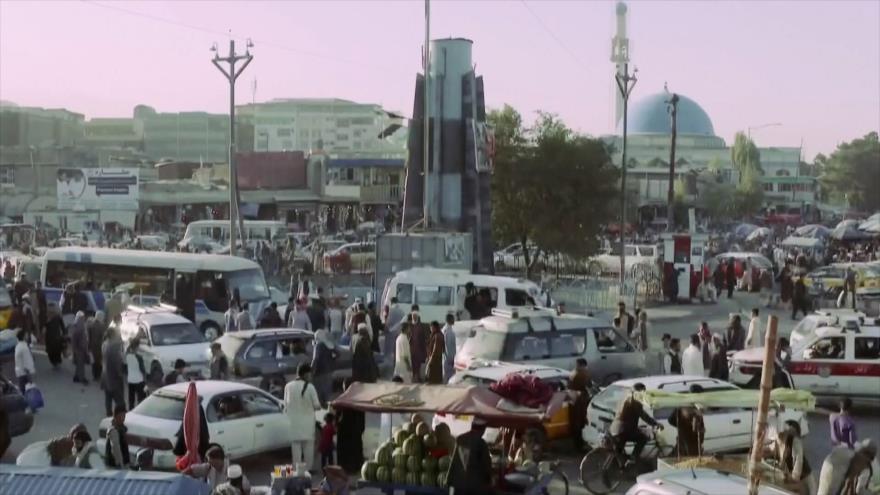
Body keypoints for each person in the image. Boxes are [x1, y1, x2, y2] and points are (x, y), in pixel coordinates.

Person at [609, 382, 662, 464]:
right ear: (640, 391)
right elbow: (643, 415)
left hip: (616, 428)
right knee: (643, 438)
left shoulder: (626, 396)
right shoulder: (635, 399)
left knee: (619, 453)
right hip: (624, 429)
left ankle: (624, 464)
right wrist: (655, 423)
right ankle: (633, 459)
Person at [283, 363, 321, 471]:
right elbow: (317, 406)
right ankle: (307, 470)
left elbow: (286, 405)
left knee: (296, 450)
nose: (311, 376)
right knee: (308, 449)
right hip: (307, 426)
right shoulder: (310, 387)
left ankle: (297, 471)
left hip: (293, 425)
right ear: (306, 374)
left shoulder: (288, 386)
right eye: (310, 374)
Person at [447, 417, 493, 495]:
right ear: (483, 429)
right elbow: (486, 465)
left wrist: (449, 479)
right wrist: (489, 479)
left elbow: (454, 459)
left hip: (458, 483)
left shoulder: (460, 438)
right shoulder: (481, 443)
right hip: (474, 487)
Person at [776, 419, 816, 495]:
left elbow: (798, 460)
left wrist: (794, 476)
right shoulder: (782, 442)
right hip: (797, 480)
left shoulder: (795, 442)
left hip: (805, 480)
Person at [336, 378, 366, 473]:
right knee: (354, 448)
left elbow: (337, 415)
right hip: (354, 428)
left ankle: (346, 467)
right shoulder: (358, 399)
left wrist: (337, 425)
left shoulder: (341, 398)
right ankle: (354, 467)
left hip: (345, 429)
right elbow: (362, 415)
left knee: (346, 449)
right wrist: (361, 428)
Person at [668, 384, 706, 457]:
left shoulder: (682, 405)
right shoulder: (695, 408)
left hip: (683, 440)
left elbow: (670, 420)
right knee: (690, 460)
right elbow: (696, 428)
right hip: (691, 442)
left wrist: (681, 426)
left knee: (681, 457)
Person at [101, 327, 126, 417]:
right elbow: (117, 362)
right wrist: (120, 373)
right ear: (113, 335)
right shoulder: (114, 346)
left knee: (108, 398)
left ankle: (109, 414)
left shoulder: (104, 344)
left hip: (105, 375)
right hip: (114, 377)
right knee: (120, 400)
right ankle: (120, 416)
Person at [569, 358, 591, 451]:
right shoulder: (582, 374)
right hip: (580, 400)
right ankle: (580, 446)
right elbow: (588, 385)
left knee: (575, 423)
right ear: (583, 365)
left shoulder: (572, 373)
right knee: (580, 423)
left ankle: (577, 445)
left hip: (573, 399)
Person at [310, 328, 336, 405]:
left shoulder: (318, 346)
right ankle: (329, 407)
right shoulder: (328, 344)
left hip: (319, 372)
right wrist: (331, 360)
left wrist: (311, 370)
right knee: (327, 392)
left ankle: (321, 408)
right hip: (328, 371)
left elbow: (315, 359)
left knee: (318, 393)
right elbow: (338, 354)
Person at [125, 338, 147, 408]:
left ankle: (131, 410)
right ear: (137, 346)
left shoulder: (127, 355)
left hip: (130, 380)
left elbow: (125, 367)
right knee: (141, 399)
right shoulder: (138, 357)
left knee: (131, 399)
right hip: (139, 380)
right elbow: (142, 370)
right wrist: (145, 381)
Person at [70, 311, 90, 384]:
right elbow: (75, 338)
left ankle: (77, 377)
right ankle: (82, 378)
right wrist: (75, 348)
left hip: (80, 347)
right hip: (80, 348)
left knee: (79, 363)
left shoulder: (77, 325)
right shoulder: (79, 326)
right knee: (81, 364)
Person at [87, 311, 107, 381]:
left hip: (92, 346)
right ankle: (98, 375)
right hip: (99, 346)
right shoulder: (102, 326)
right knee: (99, 361)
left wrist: (89, 346)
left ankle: (95, 375)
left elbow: (88, 336)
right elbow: (103, 337)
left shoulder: (91, 324)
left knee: (94, 361)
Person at [14, 329, 35, 394]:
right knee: (28, 393)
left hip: (19, 373)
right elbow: (26, 363)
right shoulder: (24, 348)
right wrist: (30, 378)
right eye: (26, 335)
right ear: (23, 337)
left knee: (22, 392)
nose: (27, 336)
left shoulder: (18, 346)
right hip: (25, 374)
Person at [441, 314, 457, 383]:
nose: (454, 321)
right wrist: (452, 359)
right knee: (450, 380)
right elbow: (448, 346)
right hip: (449, 359)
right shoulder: (449, 331)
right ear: (450, 320)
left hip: (445, 358)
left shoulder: (443, 330)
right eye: (453, 319)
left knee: (445, 377)